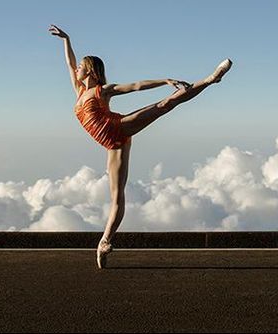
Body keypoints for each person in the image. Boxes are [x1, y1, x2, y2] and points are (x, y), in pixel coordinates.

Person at [48, 24, 232, 268]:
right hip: (112, 145)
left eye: (82, 66)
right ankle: (104, 243)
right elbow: (70, 63)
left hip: (120, 128)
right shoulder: (79, 90)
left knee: (164, 105)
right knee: (116, 197)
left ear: (90, 70)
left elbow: (135, 86)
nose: (77, 69)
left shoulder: (102, 91)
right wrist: (66, 40)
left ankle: (211, 79)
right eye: (79, 67)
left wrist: (164, 80)